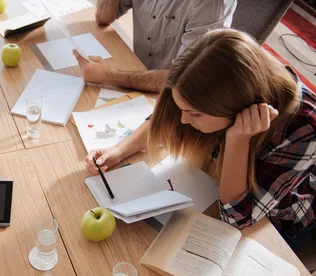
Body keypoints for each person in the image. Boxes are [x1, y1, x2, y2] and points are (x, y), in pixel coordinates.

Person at [84, 29, 315, 249]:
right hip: (212, 181)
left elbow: (237, 218)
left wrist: (237, 141)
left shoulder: (305, 128)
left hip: (276, 226)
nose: (184, 121)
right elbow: (167, 117)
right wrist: (119, 150)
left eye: (195, 114)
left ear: (238, 108)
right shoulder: (222, 80)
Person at [74, 0, 237, 93]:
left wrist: (109, 76)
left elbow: (182, 79)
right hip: (136, 73)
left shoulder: (211, 5)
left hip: (174, 97)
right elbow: (103, 17)